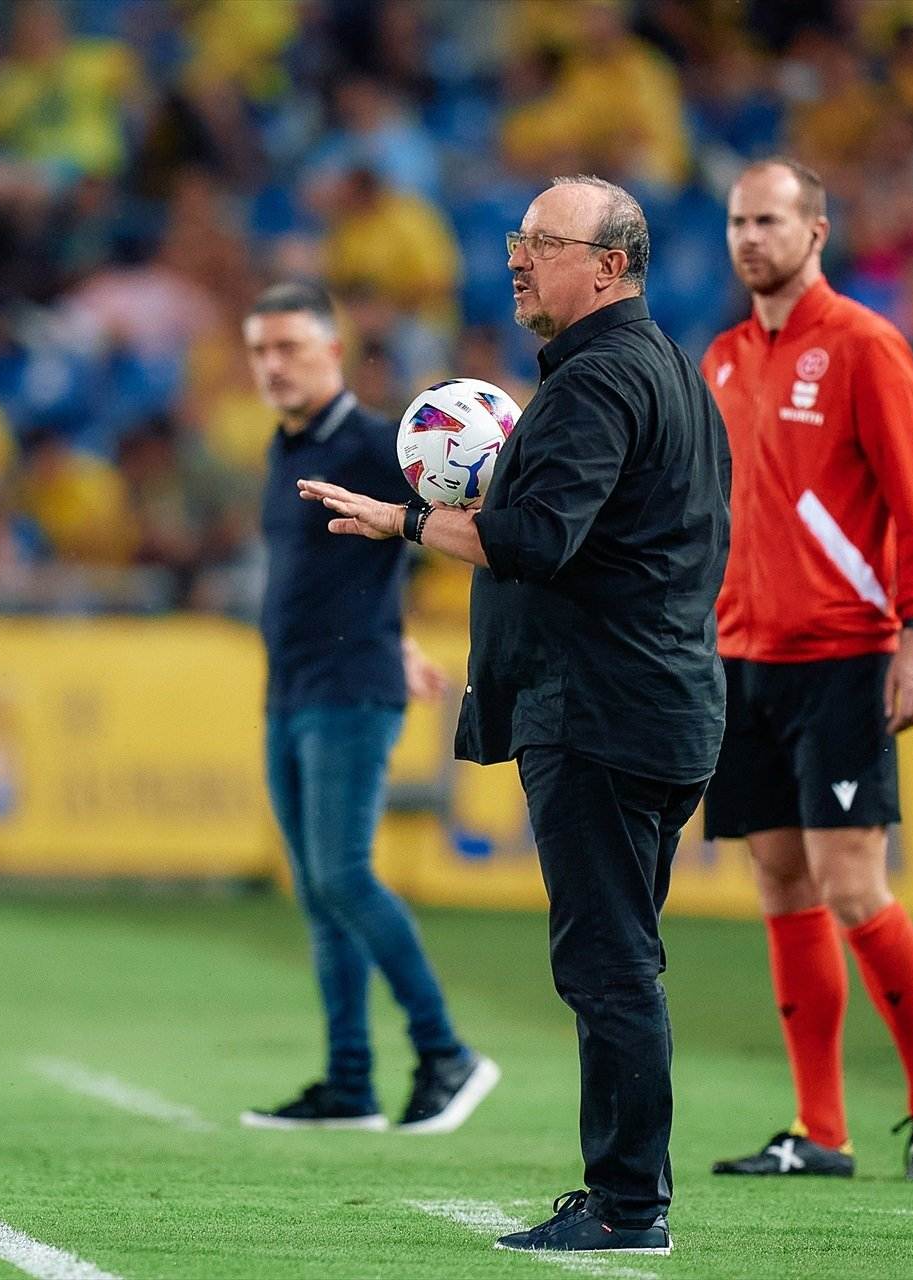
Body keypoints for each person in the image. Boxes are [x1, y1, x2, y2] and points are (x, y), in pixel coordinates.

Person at [301, 175, 729, 1255]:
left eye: (544, 241)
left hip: (604, 709)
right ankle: (624, 1189)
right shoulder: (670, 371)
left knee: (609, 961)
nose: (516, 258)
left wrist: (402, 519)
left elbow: (536, 539)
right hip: (659, 697)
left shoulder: (594, 384)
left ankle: (632, 1202)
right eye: (517, 238)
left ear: (611, 265)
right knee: (617, 954)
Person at [699, 158, 913, 1181]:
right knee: (779, 880)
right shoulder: (721, 358)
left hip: (845, 655)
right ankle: (821, 1129)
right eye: (736, 221)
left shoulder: (864, 345)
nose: (748, 237)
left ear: (817, 231)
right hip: (741, 656)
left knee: (854, 884)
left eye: (769, 219)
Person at [239, 282, 498, 1134]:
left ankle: (446, 1053)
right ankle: (349, 1080)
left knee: (344, 876)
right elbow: (336, 578)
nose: (273, 365)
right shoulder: (286, 448)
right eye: (260, 350)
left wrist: (391, 647)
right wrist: (399, 637)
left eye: (289, 348)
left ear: (331, 351)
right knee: (319, 890)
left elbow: (452, 513)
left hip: (350, 695)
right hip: (294, 690)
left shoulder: (374, 443)